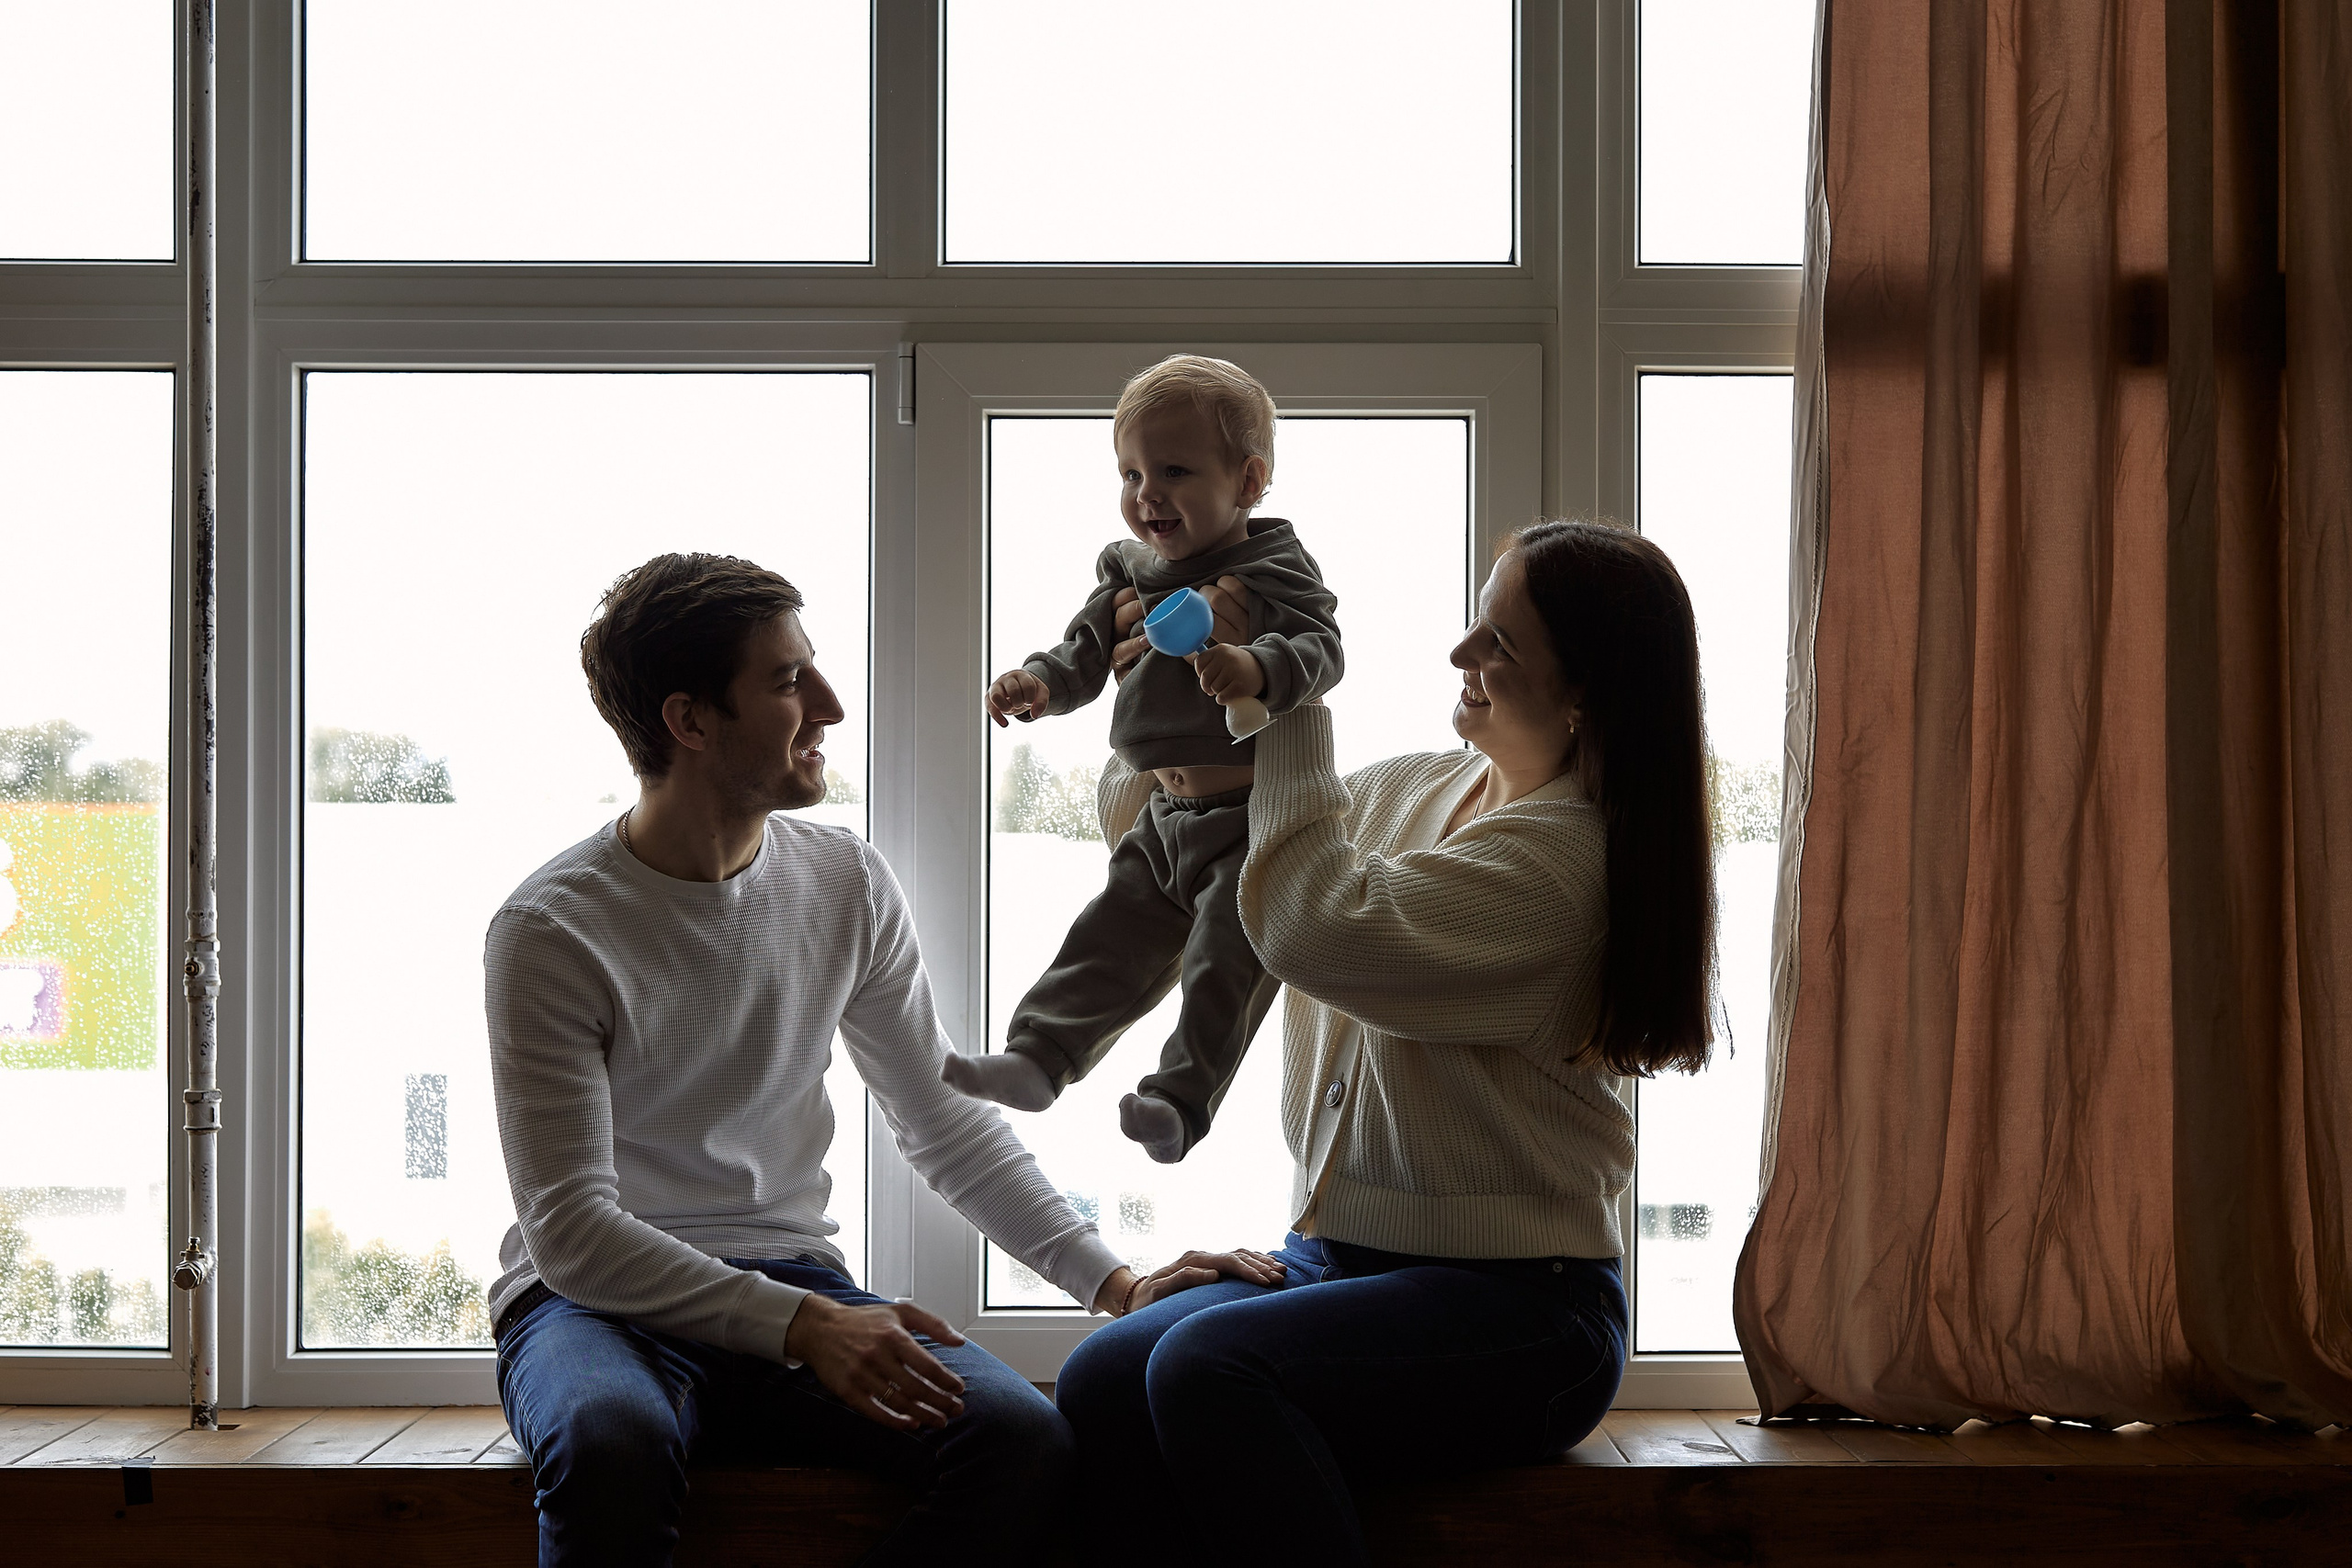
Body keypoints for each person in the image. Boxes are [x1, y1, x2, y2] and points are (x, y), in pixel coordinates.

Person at [484, 551, 1283, 1568]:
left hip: (789, 1277)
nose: (829, 705)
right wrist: (803, 1324)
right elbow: (573, 1235)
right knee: (611, 1447)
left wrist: (1114, 1286)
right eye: (785, 682)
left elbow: (943, 1122)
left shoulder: (842, 879)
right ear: (689, 721)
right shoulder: (551, 929)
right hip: (589, 1309)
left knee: (1022, 1445)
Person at [1055, 519, 1718, 1562]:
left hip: (1524, 1307)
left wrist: (1284, 695)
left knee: (1206, 1369)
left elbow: (1312, 925)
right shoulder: (1414, 787)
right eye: (1474, 625)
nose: (1462, 655)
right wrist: (1172, 703)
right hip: (1338, 1261)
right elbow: (1211, 863)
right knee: (1100, 1379)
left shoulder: (1564, 865)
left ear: (1586, 690)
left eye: (1499, 642)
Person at [942, 355, 1344, 1164]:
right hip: (1164, 817)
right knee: (1107, 933)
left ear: (1249, 479)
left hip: (1248, 821)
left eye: (1173, 470)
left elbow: (1323, 649)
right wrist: (1037, 684)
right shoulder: (1126, 570)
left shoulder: (1273, 567)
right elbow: (1083, 652)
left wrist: (1261, 666)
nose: (1145, 493)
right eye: (1129, 472)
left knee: (1222, 963)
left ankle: (1178, 1100)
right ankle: (1039, 1056)